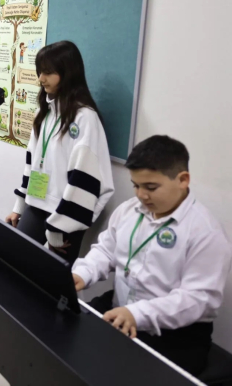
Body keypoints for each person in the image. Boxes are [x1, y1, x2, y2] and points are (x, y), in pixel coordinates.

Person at [72, 136, 232, 375]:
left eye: (151, 187)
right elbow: (106, 250)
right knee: (72, 342)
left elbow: (197, 299)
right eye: (136, 185)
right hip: (122, 308)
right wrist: (82, 274)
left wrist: (137, 314)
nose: (141, 195)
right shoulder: (129, 210)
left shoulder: (205, 232)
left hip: (175, 335)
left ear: (183, 180)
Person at [5, 41, 114, 265]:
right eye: (40, 71)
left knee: (52, 282)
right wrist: (19, 206)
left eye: (48, 72)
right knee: (15, 263)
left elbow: (84, 179)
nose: (41, 79)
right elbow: (32, 162)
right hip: (37, 204)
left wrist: (59, 229)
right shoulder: (45, 112)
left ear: (68, 73)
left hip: (68, 217)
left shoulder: (85, 118)